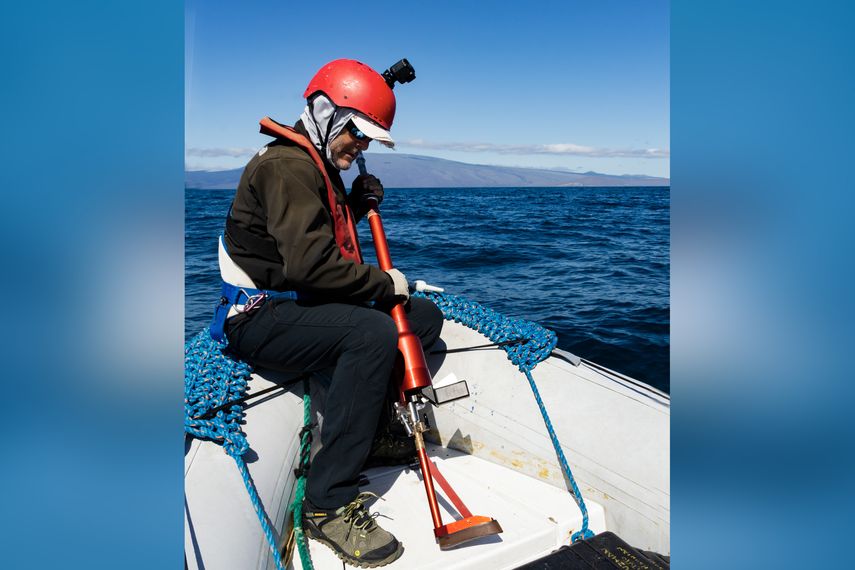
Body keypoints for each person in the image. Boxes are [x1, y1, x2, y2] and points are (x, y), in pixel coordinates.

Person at [217, 59, 443, 567]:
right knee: (371, 333)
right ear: (324, 113)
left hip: (300, 305)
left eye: (365, 139)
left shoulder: (311, 167)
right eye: (356, 135)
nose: (359, 147)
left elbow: (313, 235)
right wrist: (385, 283)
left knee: (421, 319)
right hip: (258, 318)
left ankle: (377, 435)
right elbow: (312, 267)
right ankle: (328, 502)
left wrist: (356, 204)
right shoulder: (286, 166)